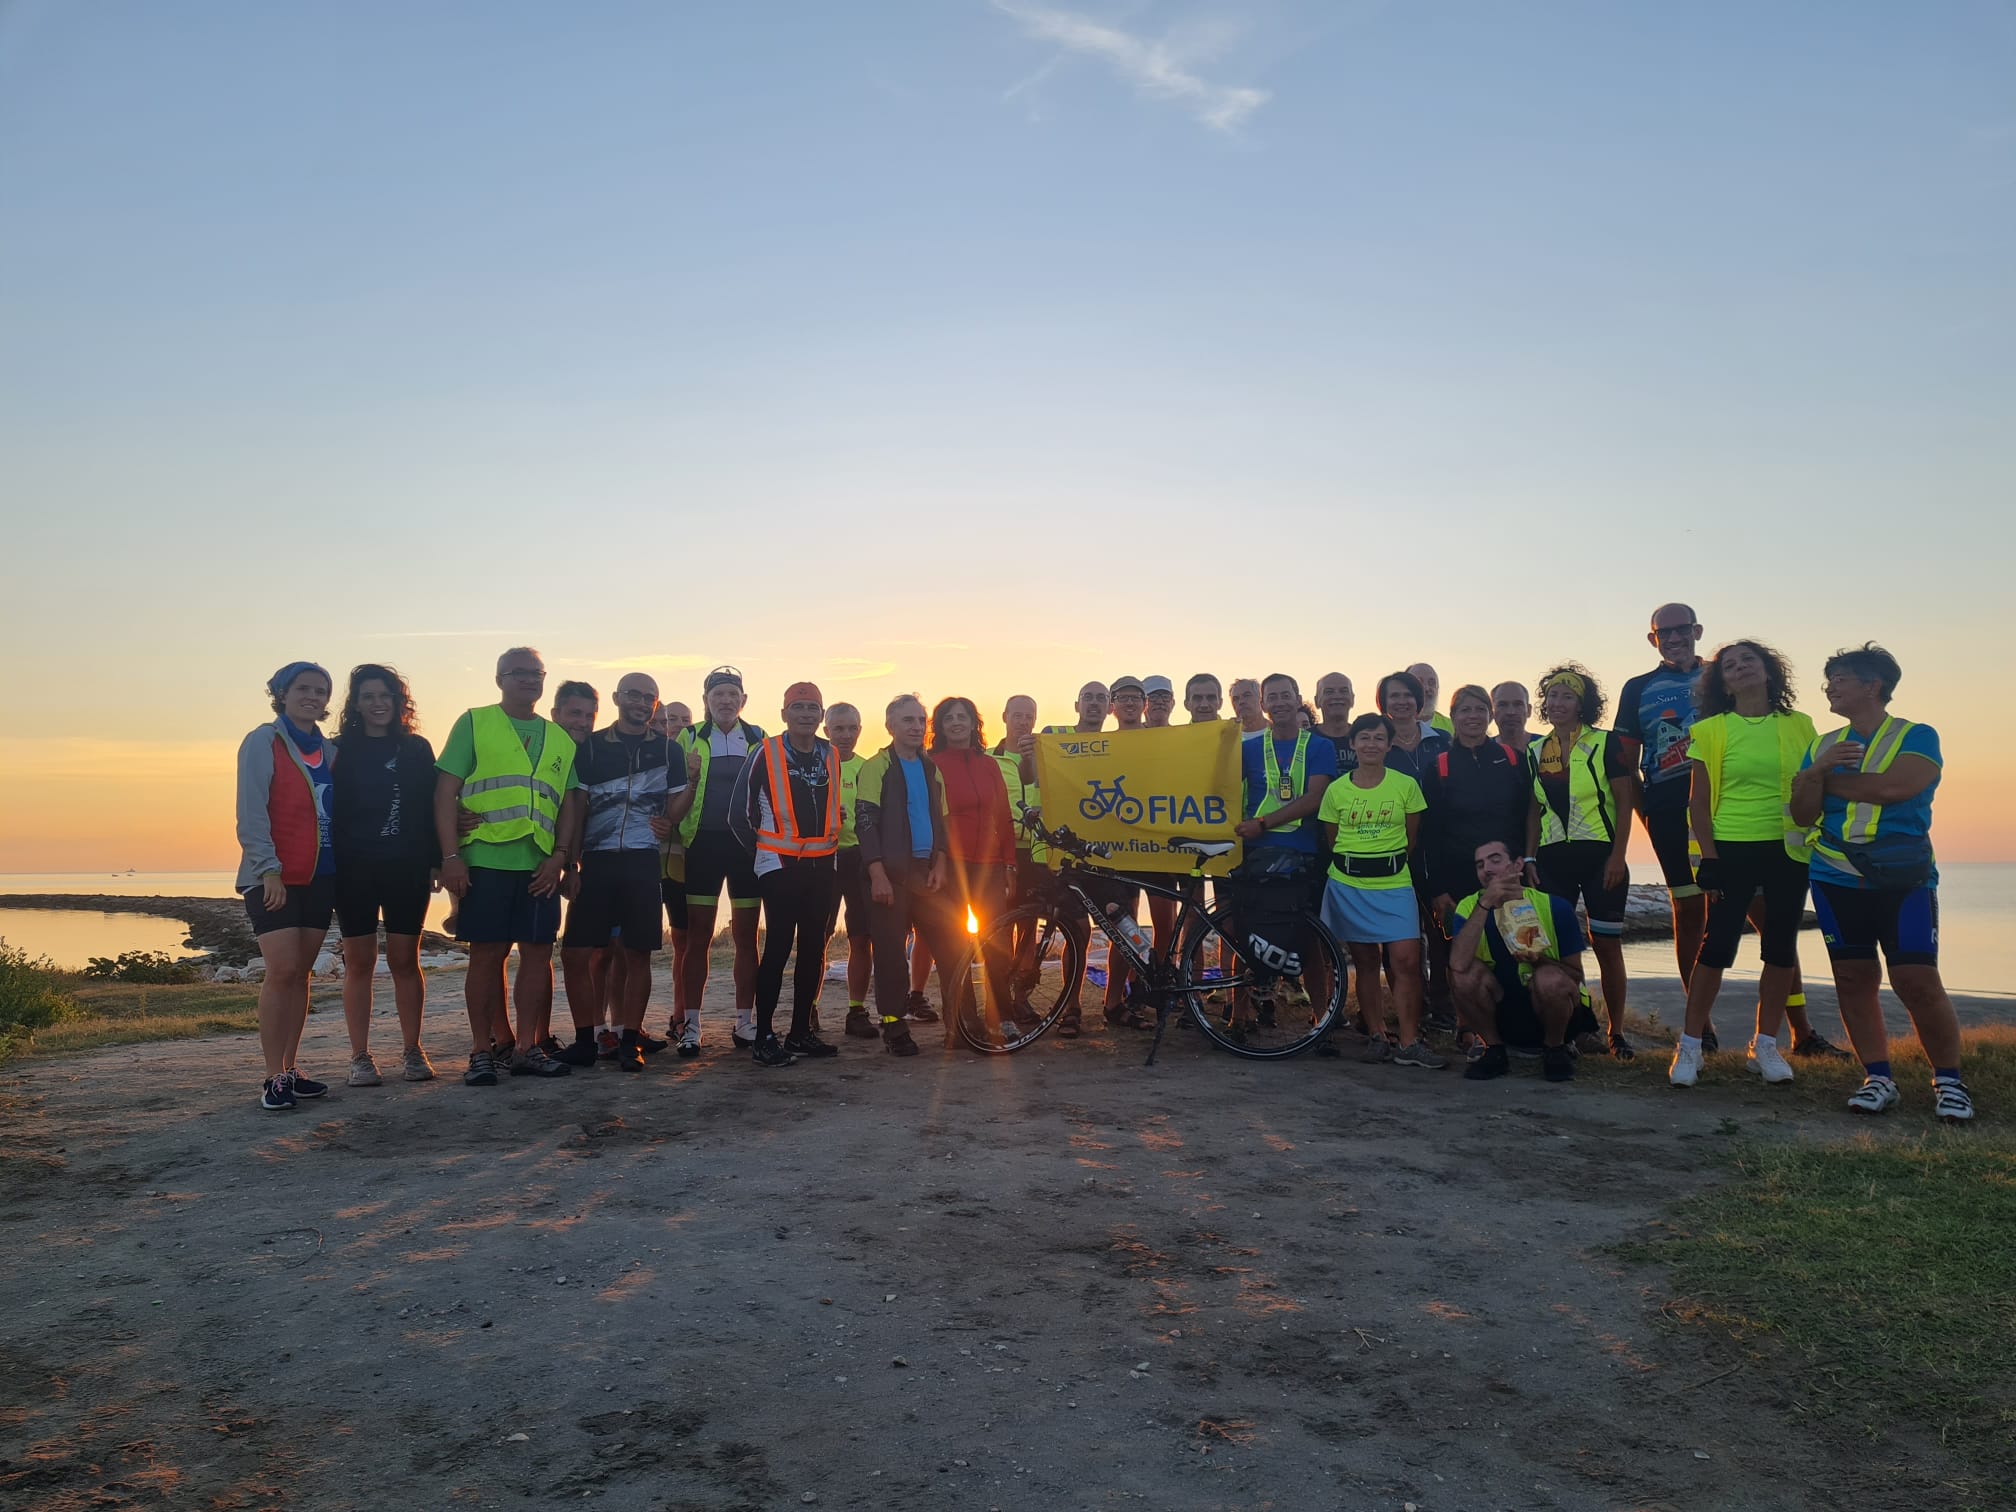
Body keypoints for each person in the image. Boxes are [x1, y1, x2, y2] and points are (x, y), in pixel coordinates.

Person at [1789, 644, 1974, 1122]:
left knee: (1917, 980)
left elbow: (1895, 788)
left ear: (1873, 687)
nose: (1829, 687)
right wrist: (1815, 772)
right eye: (1828, 680)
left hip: (1904, 877)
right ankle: (1878, 1078)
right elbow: (1802, 811)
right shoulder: (1822, 744)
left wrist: (1819, 781)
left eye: (1839, 679)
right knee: (1853, 978)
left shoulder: (1918, 735)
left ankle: (1950, 1083)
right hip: (1834, 875)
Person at [1667, 643, 1817, 1089]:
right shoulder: (1711, 729)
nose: (1740, 668)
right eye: (1729, 665)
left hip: (1788, 848)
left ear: (1768, 670)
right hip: (1730, 848)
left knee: (1780, 947)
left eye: (1748, 660)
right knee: (1716, 949)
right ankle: (1691, 1045)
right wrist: (1707, 858)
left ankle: (1765, 1045)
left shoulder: (1800, 725)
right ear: (1723, 683)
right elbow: (1697, 802)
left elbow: (1813, 786)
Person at [435, 648, 584, 1085]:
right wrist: (450, 858)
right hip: (483, 862)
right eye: (519, 673)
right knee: (486, 956)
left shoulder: (559, 738)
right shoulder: (474, 722)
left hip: (539, 867)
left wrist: (560, 858)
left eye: (536, 673)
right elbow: (445, 793)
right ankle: (482, 1051)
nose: (529, 680)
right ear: (499, 678)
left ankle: (526, 1048)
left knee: (538, 957)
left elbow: (568, 803)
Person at [556, 672, 691, 1073]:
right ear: (617, 698)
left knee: (638, 954)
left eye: (649, 697)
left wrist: (669, 819)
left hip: (642, 860)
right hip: (596, 859)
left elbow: (681, 793)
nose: (640, 702)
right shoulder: (593, 748)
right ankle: (586, 1040)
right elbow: (576, 806)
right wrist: (571, 863)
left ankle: (630, 1041)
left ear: (655, 704)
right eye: (633, 694)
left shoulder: (669, 751)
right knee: (576, 954)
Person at [236, 661, 339, 1111]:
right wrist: (268, 870)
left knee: (301, 975)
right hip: (273, 878)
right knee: (280, 973)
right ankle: (271, 1076)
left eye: (321, 690)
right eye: (303, 688)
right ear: (281, 692)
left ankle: (291, 1070)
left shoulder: (331, 753)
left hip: (321, 878)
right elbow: (251, 812)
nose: (312, 697)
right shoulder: (263, 741)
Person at [332, 664, 439, 1087]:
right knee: (359, 962)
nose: (378, 704)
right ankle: (360, 1056)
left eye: (386, 696)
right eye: (368, 697)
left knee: (404, 960)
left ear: (398, 702)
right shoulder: (337, 749)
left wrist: (435, 860)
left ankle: (413, 1050)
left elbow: (432, 808)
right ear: (355, 704)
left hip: (407, 867)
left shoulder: (417, 749)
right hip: (353, 868)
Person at [1317, 714, 1443, 1068]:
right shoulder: (1337, 789)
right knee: (1367, 962)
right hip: (1348, 884)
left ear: (1390, 745)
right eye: (1364, 737)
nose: (1371, 744)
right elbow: (1331, 838)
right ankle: (1376, 1035)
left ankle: (1409, 1041)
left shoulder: (1405, 786)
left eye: (1378, 738)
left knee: (1407, 961)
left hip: (1394, 882)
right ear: (1353, 744)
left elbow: (1412, 837)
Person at [1523, 665, 1634, 1055]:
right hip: (1553, 860)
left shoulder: (1607, 744)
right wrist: (1529, 858)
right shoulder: (1536, 750)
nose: (1557, 703)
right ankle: (1577, 1026)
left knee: (1606, 944)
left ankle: (1616, 1032)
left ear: (1583, 703)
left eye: (1567, 696)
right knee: (1558, 949)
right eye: (1552, 696)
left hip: (1600, 855)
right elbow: (1534, 810)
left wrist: (1618, 856)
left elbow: (1624, 804)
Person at [854, 694, 968, 1057]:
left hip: (927, 873)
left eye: (920, 720)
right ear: (890, 726)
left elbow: (944, 821)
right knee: (889, 954)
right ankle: (894, 1027)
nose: (916, 727)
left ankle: (963, 1025)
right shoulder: (876, 767)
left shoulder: (931, 767)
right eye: (907, 720)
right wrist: (877, 874)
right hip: (889, 874)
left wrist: (942, 863)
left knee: (954, 948)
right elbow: (865, 821)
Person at [1229, 673, 1339, 1040]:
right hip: (1254, 855)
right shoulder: (1248, 749)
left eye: (1284, 695)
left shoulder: (1318, 746)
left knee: (1307, 938)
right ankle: (1238, 1015)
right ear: (1263, 703)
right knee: (1244, 933)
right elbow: (1220, 787)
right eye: (1271, 697)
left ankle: (1321, 1017)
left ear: (1297, 699)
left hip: (1300, 854)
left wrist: (1263, 822)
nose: (1278, 702)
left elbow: (1316, 797)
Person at [740, 682, 844, 1067]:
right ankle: (764, 1036)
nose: (805, 713)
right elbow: (741, 813)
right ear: (784, 713)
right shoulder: (764, 752)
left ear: (821, 715)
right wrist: (761, 853)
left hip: (821, 863)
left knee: (814, 947)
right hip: (779, 864)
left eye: (812, 707)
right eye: (797, 707)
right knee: (779, 945)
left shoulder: (830, 754)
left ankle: (800, 1031)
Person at [904, 697, 1018, 1027]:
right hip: (948, 865)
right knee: (954, 949)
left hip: (990, 866)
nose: (957, 722)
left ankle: (1004, 1018)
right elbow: (924, 817)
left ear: (974, 723)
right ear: (938, 727)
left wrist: (1010, 864)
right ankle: (963, 1024)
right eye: (949, 718)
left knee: (998, 945)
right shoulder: (930, 764)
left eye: (963, 717)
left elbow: (1004, 817)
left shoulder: (990, 765)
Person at [1450, 839, 1601, 1083]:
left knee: (1550, 978)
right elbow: (1457, 965)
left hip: (1553, 1012)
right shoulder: (1469, 907)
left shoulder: (1554, 907)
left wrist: (1539, 961)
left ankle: (1555, 1050)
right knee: (1464, 974)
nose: (1486, 868)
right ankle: (1494, 1050)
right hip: (1500, 1013)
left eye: (1495, 859)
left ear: (1518, 865)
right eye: (1480, 864)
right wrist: (1486, 903)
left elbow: (1575, 977)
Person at [673, 667, 765, 1056]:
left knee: (746, 938)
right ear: (706, 701)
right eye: (717, 695)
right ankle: (691, 1025)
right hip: (702, 846)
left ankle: (745, 1021)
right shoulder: (689, 737)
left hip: (747, 849)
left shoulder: (760, 738)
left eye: (732, 695)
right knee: (698, 938)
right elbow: (673, 788)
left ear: (743, 701)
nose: (725, 701)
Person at [1418, 683, 1529, 959]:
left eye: (1480, 709)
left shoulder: (1514, 759)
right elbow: (1430, 834)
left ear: (1490, 716)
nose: (1473, 716)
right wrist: (1438, 890)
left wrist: (1528, 862)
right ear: (1453, 716)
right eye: (1465, 709)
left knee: (1520, 953)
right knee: (1464, 960)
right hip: (1459, 880)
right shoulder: (1439, 767)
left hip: (1509, 875)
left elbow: (1528, 816)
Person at [824, 702, 879, 1039]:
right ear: (826, 730)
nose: (845, 735)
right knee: (818, 939)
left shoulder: (868, 769)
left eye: (851, 729)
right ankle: (809, 1009)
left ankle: (856, 1011)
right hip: (822, 859)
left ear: (860, 730)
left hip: (860, 859)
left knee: (862, 940)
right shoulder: (815, 765)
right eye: (838, 729)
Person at [1372, 670, 1450, 781]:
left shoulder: (1442, 740)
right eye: (1394, 696)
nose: (1402, 701)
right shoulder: (1376, 745)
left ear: (1418, 699)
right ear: (1383, 701)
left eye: (1408, 695)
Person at [1309, 673, 1358, 776]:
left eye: (1343, 691)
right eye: (1329, 692)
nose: (1337, 696)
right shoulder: (1305, 740)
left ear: (1353, 699)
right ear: (1317, 701)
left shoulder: (1365, 738)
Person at [1408, 663, 1454, 736]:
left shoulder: (1453, 727)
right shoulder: (1389, 727)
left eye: (1432, 683)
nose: (1426, 688)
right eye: (1419, 682)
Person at [1491, 683, 1533, 750]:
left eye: (1518, 705)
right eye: (1502, 705)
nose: (1511, 712)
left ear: (1529, 710)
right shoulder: (1482, 752)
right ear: (1492, 712)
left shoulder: (1547, 747)